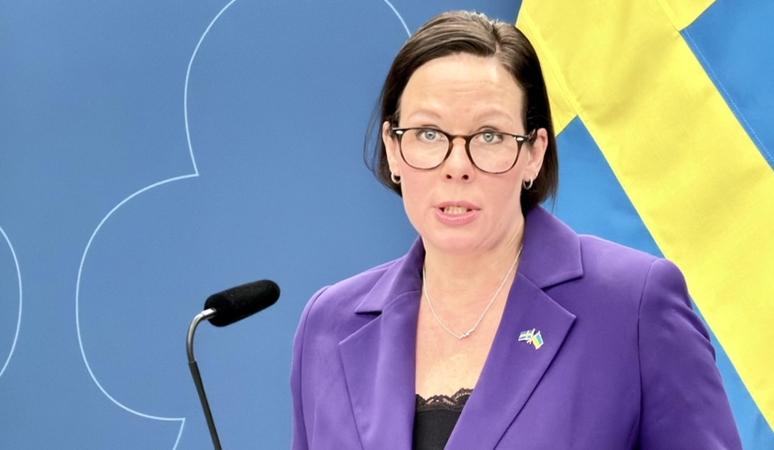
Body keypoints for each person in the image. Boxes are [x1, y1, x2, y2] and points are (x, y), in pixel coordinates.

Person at [290, 10, 741, 450]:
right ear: (392, 149)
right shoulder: (329, 324)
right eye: (428, 134)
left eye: (489, 136)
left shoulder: (632, 304)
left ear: (534, 154)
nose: (457, 166)